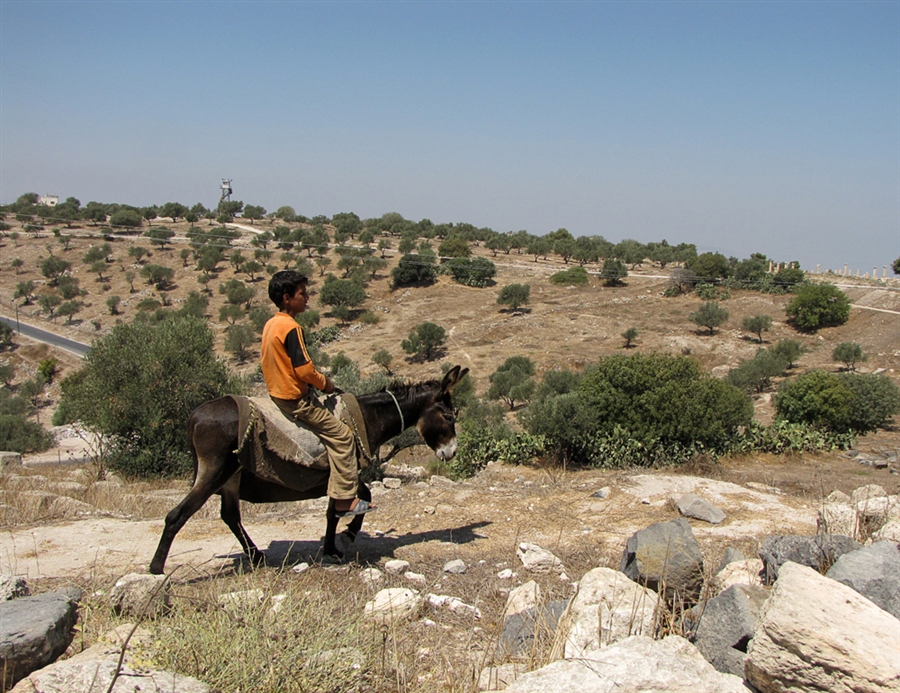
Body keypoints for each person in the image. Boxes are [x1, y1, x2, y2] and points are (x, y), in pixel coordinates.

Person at [260, 270, 374, 517]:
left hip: (276, 393)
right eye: (303, 293)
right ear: (288, 298)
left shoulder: (271, 324)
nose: (308, 298)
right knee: (343, 436)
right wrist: (327, 385)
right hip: (296, 400)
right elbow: (304, 370)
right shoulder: (291, 327)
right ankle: (344, 501)